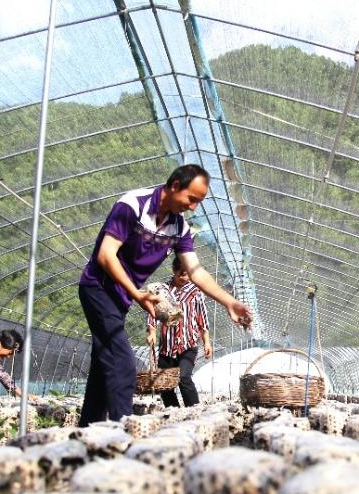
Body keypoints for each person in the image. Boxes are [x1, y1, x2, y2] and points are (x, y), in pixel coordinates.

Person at [77, 164, 251, 425]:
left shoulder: (179, 228)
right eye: (191, 199)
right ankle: (124, 430)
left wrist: (229, 301)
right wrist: (137, 294)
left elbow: (196, 271)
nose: (193, 207)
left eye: (199, 202)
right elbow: (105, 255)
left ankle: (89, 429)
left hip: (121, 297)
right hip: (99, 288)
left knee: (103, 365)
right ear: (175, 186)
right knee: (122, 363)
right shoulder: (133, 205)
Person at [145, 255, 212, 408]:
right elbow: (153, 313)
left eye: (187, 274)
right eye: (181, 274)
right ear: (174, 271)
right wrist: (152, 332)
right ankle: (174, 412)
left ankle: (194, 410)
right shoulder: (163, 291)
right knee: (164, 384)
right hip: (167, 347)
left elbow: (202, 318)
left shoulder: (195, 291)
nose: (185, 278)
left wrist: (207, 342)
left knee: (184, 377)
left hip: (188, 345)